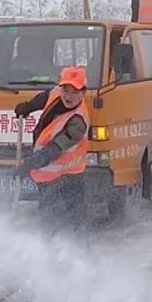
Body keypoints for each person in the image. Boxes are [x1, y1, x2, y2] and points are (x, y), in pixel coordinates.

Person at [13, 66, 91, 221]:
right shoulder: (57, 93)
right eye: (65, 90)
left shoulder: (78, 121)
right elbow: (44, 97)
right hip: (48, 175)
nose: (68, 96)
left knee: (71, 221)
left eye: (74, 92)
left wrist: (29, 164)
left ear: (83, 93)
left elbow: (55, 148)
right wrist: (28, 107)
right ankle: (48, 243)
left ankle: (73, 245)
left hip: (69, 177)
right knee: (47, 219)